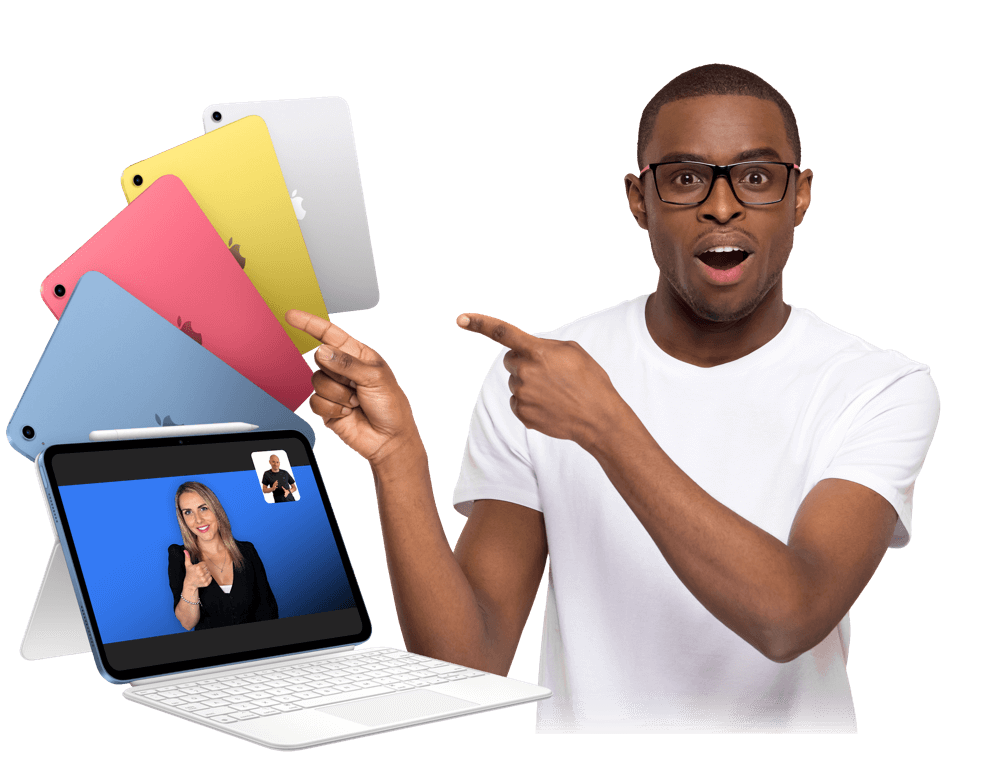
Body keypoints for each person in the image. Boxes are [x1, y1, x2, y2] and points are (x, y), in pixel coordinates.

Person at [283, 63, 940, 734]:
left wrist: (604, 425)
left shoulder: (878, 386)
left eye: (756, 176)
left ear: (799, 197)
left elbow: (790, 616)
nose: (721, 205)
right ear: (638, 200)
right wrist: (397, 460)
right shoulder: (540, 372)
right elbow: (462, 662)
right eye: (685, 178)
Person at [168, 480, 278, 630]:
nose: (198, 520)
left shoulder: (247, 551)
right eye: (188, 512)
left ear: (216, 509)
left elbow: (268, 609)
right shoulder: (180, 557)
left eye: (203, 508)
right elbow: (187, 623)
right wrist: (190, 585)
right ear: (182, 518)